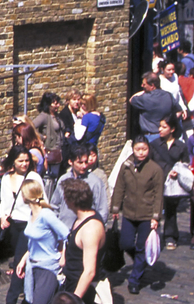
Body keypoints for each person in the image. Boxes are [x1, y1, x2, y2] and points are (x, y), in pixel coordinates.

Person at [6, 181, 69, 304]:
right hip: (35, 267)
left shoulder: (46, 214)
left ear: (26, 196)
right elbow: (34, 240)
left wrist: (63, 256)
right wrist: (24, 259)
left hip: (48, 270)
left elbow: (66, 234)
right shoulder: (32, 215)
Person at [110, 135, 163, 294]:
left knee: (141, 246)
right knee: (126, 243)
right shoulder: (126, 166)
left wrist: (155, 216)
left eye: (144, 149)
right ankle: (141, 261)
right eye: (138, 149)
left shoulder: (155, 170)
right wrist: (115, 208)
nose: (141, 153)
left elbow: (158, 194)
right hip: (129, 211)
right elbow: (119, 187)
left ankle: (135, 279)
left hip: (146, 214)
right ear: (132, 149)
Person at [0, 145, 43, 304]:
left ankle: (10, 303)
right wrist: (2, 217)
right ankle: (29, 293)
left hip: (28, 224)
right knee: (21, 261)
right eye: (21, 161)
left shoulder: (33, 177)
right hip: (13, 225)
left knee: (19, 261)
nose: (24, 164)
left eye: (27, 161)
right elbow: (3, 202)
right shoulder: (6, 178)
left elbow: (41, 201)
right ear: (13, 162)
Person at [61, 179, 106, 304]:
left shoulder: (91, 228)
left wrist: (74, 301)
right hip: (70, 282)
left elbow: (89, 271)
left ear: (71, 201)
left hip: (80, 288)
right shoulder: (80, 219)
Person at [150, 112, 190, 250]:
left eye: (163, 127)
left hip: (172, 184)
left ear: (172, 129)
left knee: (171, 210)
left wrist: (177, 172)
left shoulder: (181, 146)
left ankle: (170, 236)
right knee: (153, 209)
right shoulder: (154, 144)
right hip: (156, 181)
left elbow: (185, 164)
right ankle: (150, 235)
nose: (160, 129)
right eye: (160, 127)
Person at [49, 144, 109, 229]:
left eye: (86, 162)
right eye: (80, 162)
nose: (84, 166)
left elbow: (102, 210)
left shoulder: (95, 182)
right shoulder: (63, 180)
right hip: (64, 230)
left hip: (86, 232)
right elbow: (54, 205)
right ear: (71, 162)